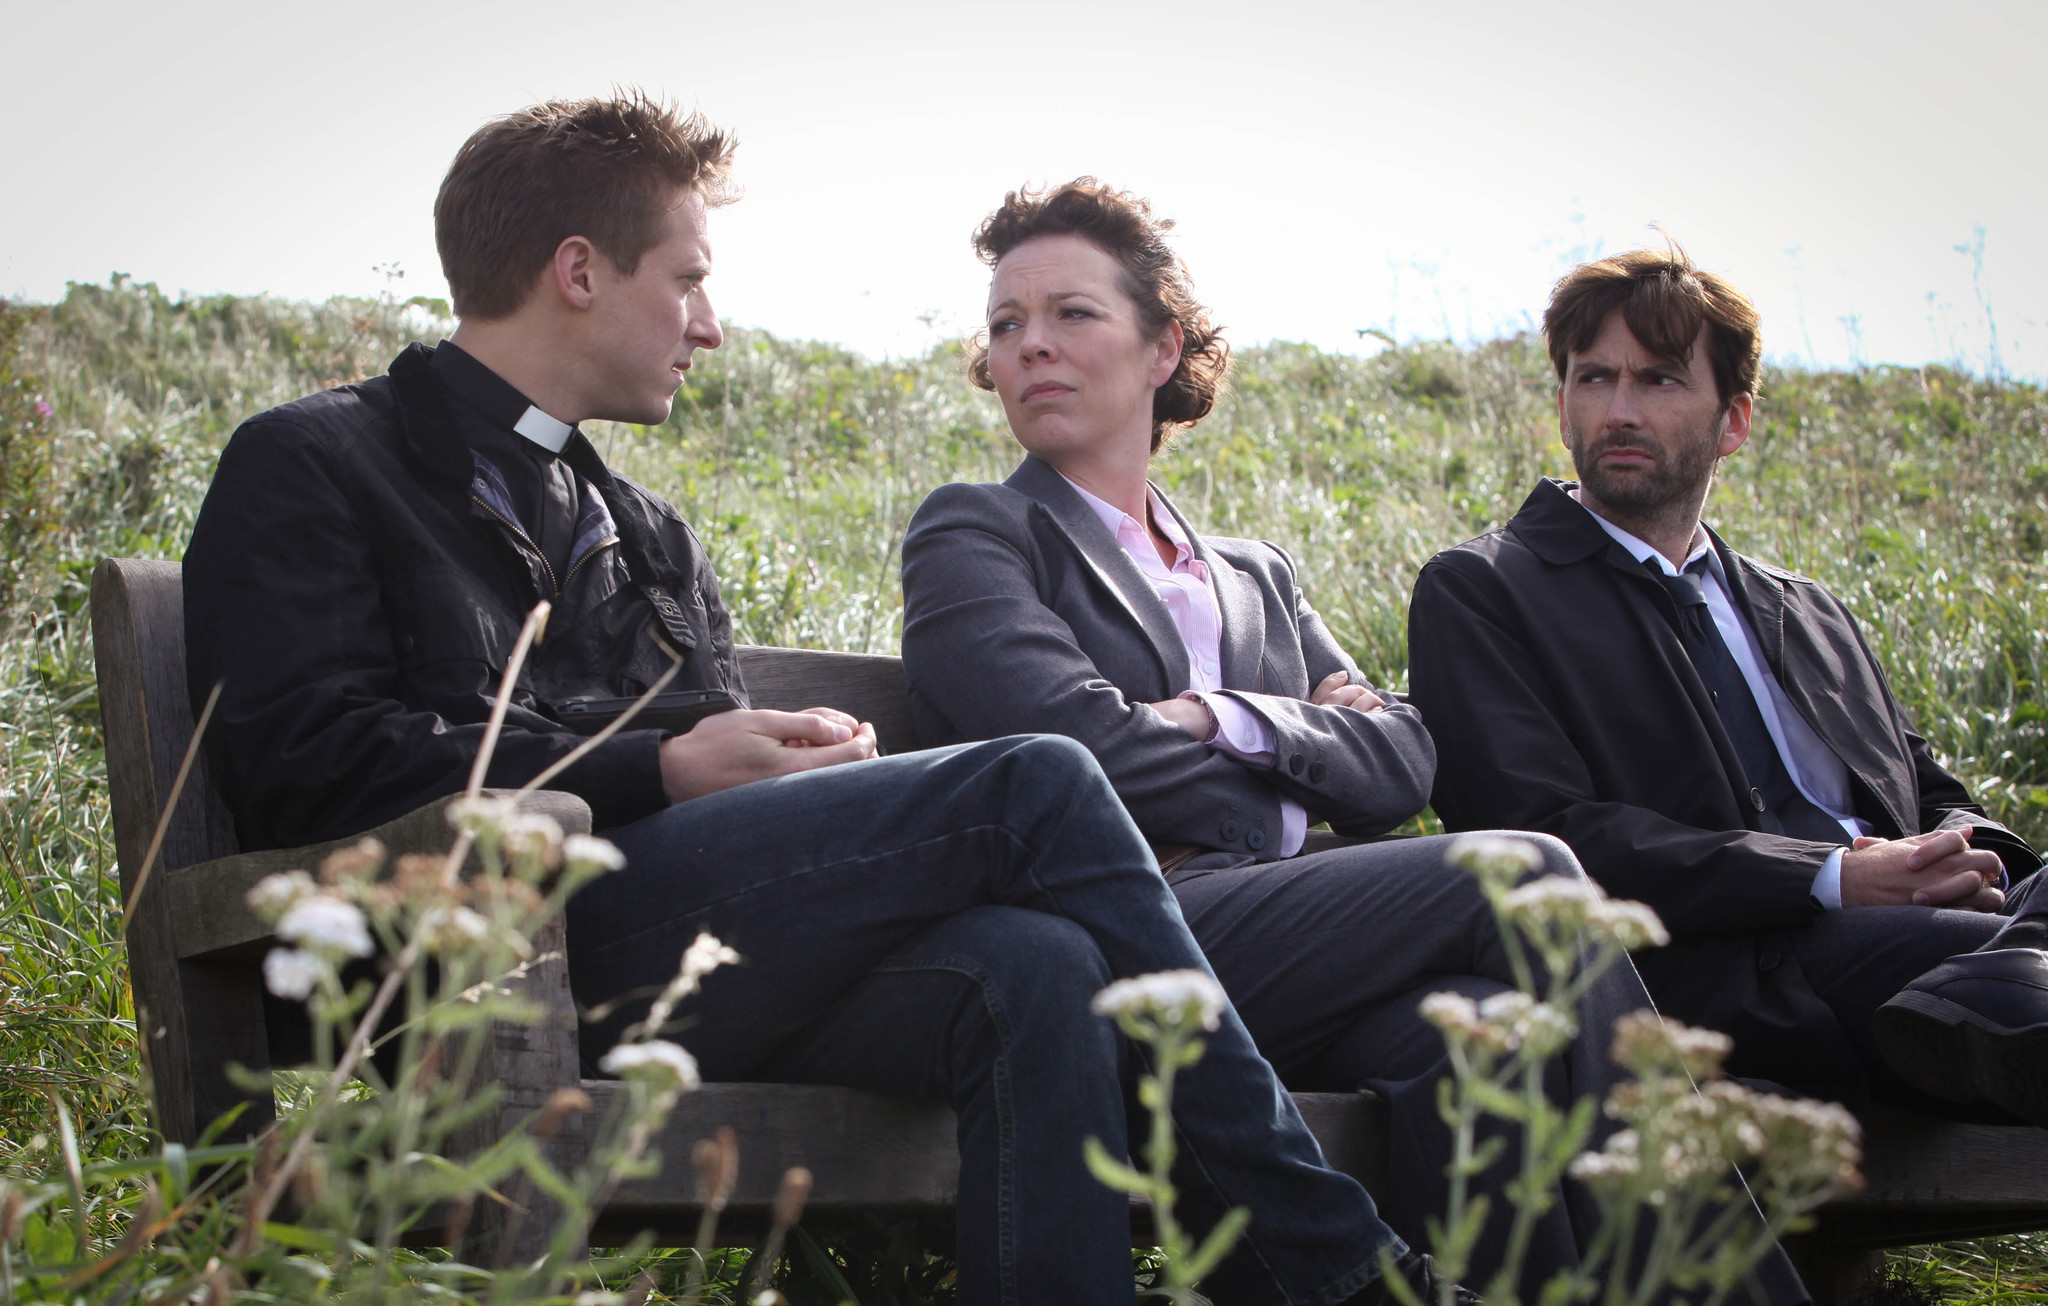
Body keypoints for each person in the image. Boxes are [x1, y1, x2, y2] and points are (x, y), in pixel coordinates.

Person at [181, 94, 1457, 1306]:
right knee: (1035, 775)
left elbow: (715, 768)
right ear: (579, 273)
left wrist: (804, 764)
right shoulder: (318, 460)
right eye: (686, 279)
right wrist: (661, 765)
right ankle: (1326, 1257)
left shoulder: (647, 529)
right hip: (490, 963)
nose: (710, 323)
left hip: (701, 950)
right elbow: (305, 760)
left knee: (1035, 959)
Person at [898, 181, 1804, 1302]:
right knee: (1522, 874)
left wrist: (1224, 717)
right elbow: (1075, 755)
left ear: (1160, 346)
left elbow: (1402, 765)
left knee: (1472, 1036)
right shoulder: (974, 532)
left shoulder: (1254, 575)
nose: (1027, 345)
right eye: (1002, 324)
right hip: (1112, 940)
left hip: (1285, 944)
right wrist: (1297, 745)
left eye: (1069, 314)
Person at [1407, 246, 2048, 1126]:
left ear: (1734, 420)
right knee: (2000, 967)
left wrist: (1962, 859)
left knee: (2011, 930)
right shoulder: (1484, 589)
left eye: (1661, 381)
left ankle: (2007, 972)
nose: (1620, 410)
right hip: (1731, 976)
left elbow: (1931, 789)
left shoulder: (1806, 611)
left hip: (1927, 946)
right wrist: (1831, 876)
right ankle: (2008, 975)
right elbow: (1540, 838)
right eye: (1594, 379)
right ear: (1562, 406)